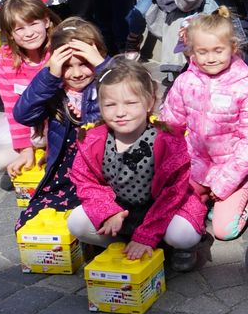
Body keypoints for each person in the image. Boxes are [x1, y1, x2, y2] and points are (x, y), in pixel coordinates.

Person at [68, 58, 209, 271]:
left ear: (150, 102)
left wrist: (147, 235)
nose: (120, 112)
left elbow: (172, 195)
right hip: (121, 212)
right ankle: (121, 247)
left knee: (183, 234)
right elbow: (85, 181)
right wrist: (107, 211)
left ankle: (177, 247)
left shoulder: (168, 142)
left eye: (131, 103)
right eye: (110, 105)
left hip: (165, 210)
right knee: (76, 221)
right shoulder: (93, 140)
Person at [160, 11, 248, 243]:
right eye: (202, 52)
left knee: (224, 231)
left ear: (233, 47)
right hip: (195, 167)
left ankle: (245, 197)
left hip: (234, 171)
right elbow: (170, 127)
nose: (210, 58)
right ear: (192, 52)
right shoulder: (185, 82)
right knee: (166, 210)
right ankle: (198, 211)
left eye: (218, 50)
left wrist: (225, 183)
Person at [14, 18, 109, 226]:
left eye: (84, 63)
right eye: (67, 66)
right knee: (30, 222)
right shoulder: (56, 88)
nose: (76, 74)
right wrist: (49, 75)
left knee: (96, 221)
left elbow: (97, 123)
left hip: (102, 177)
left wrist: (103, 66)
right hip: (64, 176)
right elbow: (23, 114)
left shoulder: (106, 86)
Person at [0, 0, 55, 175]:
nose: (29, 33)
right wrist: (25, 148)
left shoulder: (57, 50)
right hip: (29, 122)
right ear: (11, 35)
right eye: (19, 29)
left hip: (60, 122)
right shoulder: (5, 58)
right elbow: (12, 106)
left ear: (46, 21)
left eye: (33, 23)